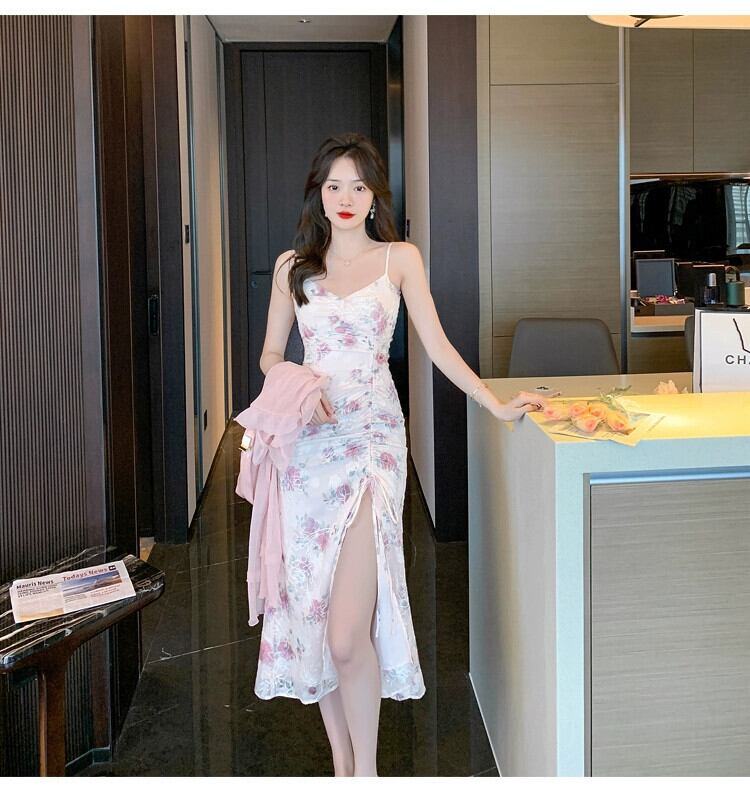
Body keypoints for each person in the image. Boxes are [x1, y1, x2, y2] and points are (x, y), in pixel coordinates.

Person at [256, 132, 546, 777]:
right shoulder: (292, 268)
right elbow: (270, 355)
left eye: (358, 186)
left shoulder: (399, 259)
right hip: (309, 449)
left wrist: (493, 401)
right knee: (316, 614)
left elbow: (437, 346)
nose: (345, 197)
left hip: (373, 445)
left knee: (346, 634)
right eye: (334, 185)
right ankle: (344, 767)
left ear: (375, 195)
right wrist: (298, 384)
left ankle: (367, 773)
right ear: (318, 193)